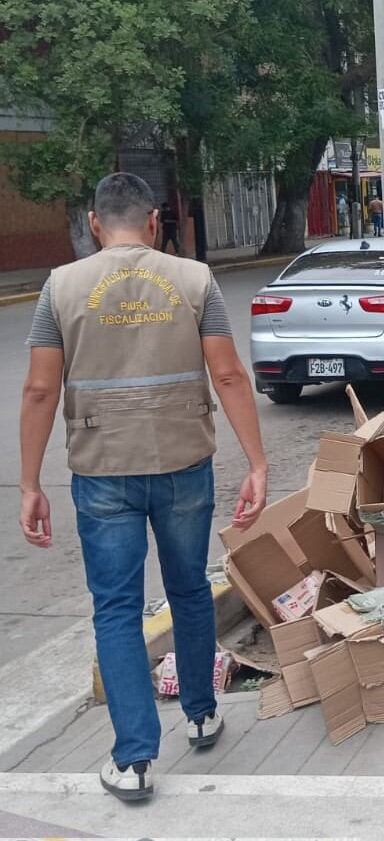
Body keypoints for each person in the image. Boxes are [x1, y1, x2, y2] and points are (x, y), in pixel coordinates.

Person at [18, 172, 268, 803]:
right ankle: (202, 714)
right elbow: (229, 376)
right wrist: (257, 464)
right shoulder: (195, 280)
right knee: (189, 590)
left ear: (94, 224)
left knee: (116, 610)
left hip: (102, 471)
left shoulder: (60, 287)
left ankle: (132, 760)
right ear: (154, 221)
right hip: (184, 464)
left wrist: (30, 483)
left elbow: (40, 389)